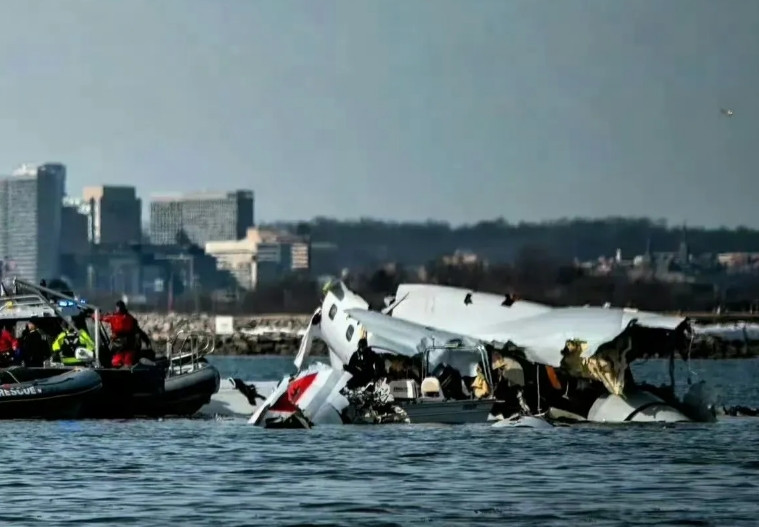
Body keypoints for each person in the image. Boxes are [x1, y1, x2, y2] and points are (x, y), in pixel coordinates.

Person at [100, 300, 149, 368]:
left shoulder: (113, 317)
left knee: (117, 360)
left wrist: (92, 315)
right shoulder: (130, 318)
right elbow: (138, 330)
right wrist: (145, 339)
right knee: (128, 360)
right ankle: (127, 369)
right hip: (129, 343)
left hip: (118, 343)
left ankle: (117, 370)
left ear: (117, 308)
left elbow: (101, 317)